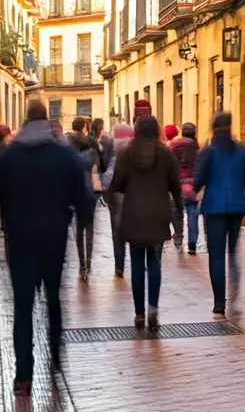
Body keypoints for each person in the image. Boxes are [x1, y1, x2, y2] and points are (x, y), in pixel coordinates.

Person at [0, 100, 94, 395]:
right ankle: (56, 360)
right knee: (53, 298)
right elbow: (85, 198)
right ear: (47, 122)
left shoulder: (11, 156)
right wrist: (76, 217)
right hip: (54, 236)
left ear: (25, 120)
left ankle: (23, 375)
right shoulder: (64, 155)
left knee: (22, 306)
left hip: (21, 239)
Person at [108, 115, 181, 330]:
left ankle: (139, 313)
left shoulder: (126, 153)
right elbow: (175, 185)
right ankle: (153, 310)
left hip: (134, 214)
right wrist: (178, 208)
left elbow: (117, 183)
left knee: (137, 263)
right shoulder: (166, 154)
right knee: (155, 262)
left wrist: (121, 192)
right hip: (158, 213)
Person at [193, 112, 245, 316]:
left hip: (214, 208)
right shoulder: (242, 151)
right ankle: (234, 291)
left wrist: (192, 190)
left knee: (217, 255)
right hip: (237, 207)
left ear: (213, 127)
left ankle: (219, 302)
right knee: (232, 252)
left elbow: (199, 180)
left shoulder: (208, 152)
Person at [68, 117, 102, 278]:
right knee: (89, 226)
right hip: (90, 190)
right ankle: (88, 263)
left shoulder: (67, 148)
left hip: (74, 190)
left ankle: (81, 263)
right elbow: (98, 168)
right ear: (84, 128)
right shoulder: (92, 148)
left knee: (78, 227)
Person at [102, 123, 134, 277]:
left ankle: (119, 265)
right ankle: (137, 262)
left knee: (117, 230)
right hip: (133, 192)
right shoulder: (135, 148)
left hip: (115, 191)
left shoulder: (111, 148)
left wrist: (106, 194)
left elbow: (105, 171)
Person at [170, 123, 201, 254]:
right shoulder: (197, 148)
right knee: (192, 213)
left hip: (177, 184)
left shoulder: (174, 146)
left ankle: (178, 237)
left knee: (177, 212)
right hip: (193, 185)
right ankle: (192, 243)